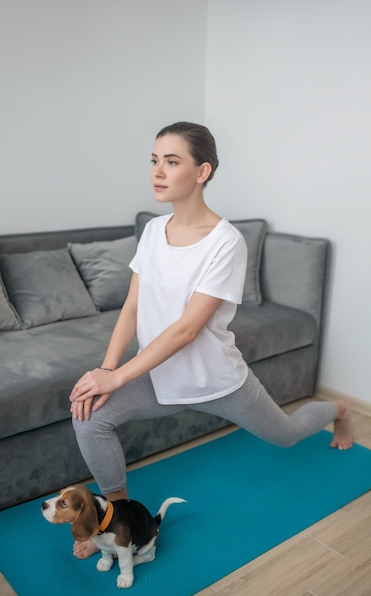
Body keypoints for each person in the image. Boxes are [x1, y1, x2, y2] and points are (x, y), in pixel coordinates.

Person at [70, 121, 353, 559]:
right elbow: (132, 308)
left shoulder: (226, 242)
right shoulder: (152, 231)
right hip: (158, 378)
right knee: (90, 416)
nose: (157, 171)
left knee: (287, 434)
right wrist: (108, 371)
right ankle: (116, 521)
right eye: (154, 160)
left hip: (219, 382)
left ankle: (339, 409)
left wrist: (117, 376)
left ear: (202, 172)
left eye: (172, 161)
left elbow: (186, 329)